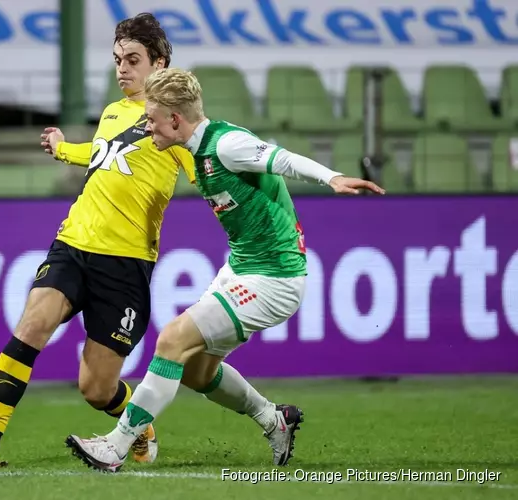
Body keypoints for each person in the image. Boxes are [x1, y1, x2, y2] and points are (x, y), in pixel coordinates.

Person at [65, 67, 386, 473]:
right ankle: (274, 419)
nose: (147, 127)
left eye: (151, 118)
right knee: (198, 372)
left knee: (172, 340)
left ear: (175, 120)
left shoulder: (227, 145)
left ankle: (117, 445)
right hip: (242, 269)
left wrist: (332, 177)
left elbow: (280, 159)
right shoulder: (197, 147)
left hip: (274, 279)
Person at [0, 14, 195, 470]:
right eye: (116, 60)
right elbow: (103, 152)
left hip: (125, 266)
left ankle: (138, 424)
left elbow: (210, 167)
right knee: (31, 326)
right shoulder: (112, 112)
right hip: (74, 243)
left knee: (96, 389)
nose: (121, 69)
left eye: (132, 60)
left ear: (159, 63)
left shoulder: (176, 125)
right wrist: (65, 148)